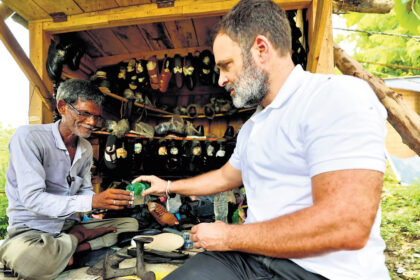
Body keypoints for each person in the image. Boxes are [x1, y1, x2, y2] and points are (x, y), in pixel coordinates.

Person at [133, 0, 390, 279]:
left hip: (320, 271)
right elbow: (224, 177)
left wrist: (229, 236)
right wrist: (169, 185)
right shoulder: (254, 125)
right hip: (251, 259)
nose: (220, 79)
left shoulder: (334, 97)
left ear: (261, 49)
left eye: (227, 65)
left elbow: (346, 225)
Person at [0, 79, 138, 279]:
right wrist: (90, 202)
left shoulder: (85, 148)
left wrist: (102, 203)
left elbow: (84, 190)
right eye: (84, 113)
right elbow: (33, 199)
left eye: (96, 117)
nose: (91, 122)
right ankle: (78, 241)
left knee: (130, 225)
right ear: (62, 107)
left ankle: (69, 249)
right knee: (30, 261)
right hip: (32, 231)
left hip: (68, 225)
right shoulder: (29, 137)